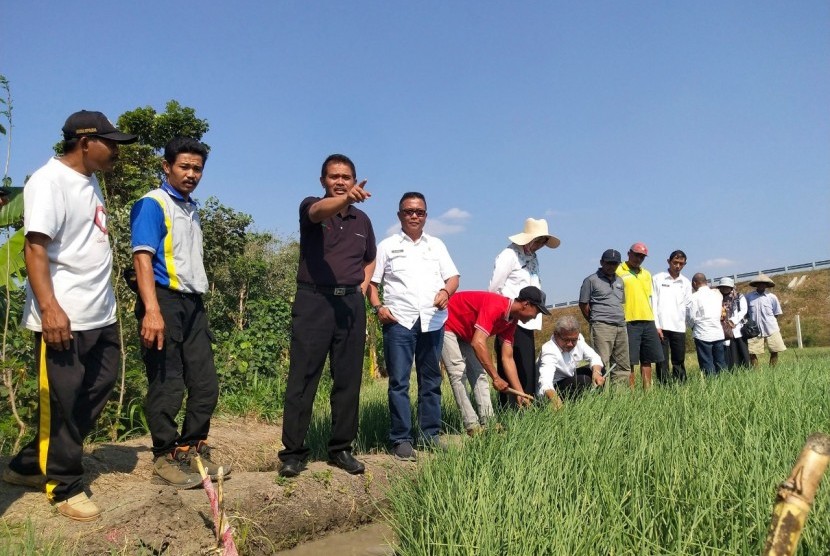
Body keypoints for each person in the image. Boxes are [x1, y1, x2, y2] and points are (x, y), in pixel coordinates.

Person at [3, 111, 136, 521]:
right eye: (109, 142)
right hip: (65, 317)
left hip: (100, 314)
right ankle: (63, 486)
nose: (115, 150)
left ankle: (30, 462)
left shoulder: (88, 180)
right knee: (62, 401)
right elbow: (35, 248)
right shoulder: (49, 181)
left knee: (99, 386)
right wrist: (50, 309)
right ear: (84, 142)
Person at [130, 137, 231, 489]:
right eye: (184, 167)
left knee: (205, 382)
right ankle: (164, 455)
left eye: (197, 168)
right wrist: (151, 311)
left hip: (192, 304)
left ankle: (192, 448)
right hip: (163, 301)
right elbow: (142, 258)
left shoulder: (191, 207)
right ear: (166, 166)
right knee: (167, 381)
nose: (191, 174)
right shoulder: (152, 203)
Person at [279, 154, 376, 478]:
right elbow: (319, 211)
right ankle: (293, 453)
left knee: (348, 380)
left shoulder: (362, 222)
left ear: (354, 179)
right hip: (313, 302)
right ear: (323, 181)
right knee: (303, 379)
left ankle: (341, 449)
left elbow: (369, 259)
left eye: (346, 177)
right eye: (333, 176)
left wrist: (361, 288)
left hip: (349, 305)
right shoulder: (313, 207)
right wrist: (343, 199)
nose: (340, 181)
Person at [368, 192, 459, 460]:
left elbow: (452, 277)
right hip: (399, 322)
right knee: (399, 381)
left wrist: (446, 292)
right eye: (409, 211)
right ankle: (401, 438)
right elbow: (372, 284)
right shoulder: (387, 246)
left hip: (432, 321)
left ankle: (430, 435)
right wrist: (378, 308)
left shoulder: (437, 245)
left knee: (431, 380)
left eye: (419, 211)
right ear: (399, 215)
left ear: (426, 216)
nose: (414, 216)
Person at [442, 287, 549, 435]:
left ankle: (489, 422)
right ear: (526, 304)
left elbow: (507, 357)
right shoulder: (496, 306)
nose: (535, 317)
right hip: (447, 321)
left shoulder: (511, 321)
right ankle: (472, 425)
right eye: (536, 312)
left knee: (479, 374)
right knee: (458, 372)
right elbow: (478, 343)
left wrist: (519, 393)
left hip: (466, 332)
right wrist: (496, 377)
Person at [488, 218, 559, 408]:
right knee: (509, 364)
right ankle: (508, 408)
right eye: (537, 240)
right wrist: (500, 316)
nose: (539, 245)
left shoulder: (533, 258)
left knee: (526, 367)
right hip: (510, 319)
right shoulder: (508, 255)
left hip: (529, 320)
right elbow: (495, 288)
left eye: (543, 241)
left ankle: (527, 404)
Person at [578, 249, 631, 386]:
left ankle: (620, 397)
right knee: (601, 363)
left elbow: (620, 302)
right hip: (601, 325)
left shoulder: (620, 281)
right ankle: (601, 396)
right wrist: (594, 319)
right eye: (608, 263)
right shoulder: (591, 280)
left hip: (620, 325)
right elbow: (584, 304)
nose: (611, 266)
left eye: (615, 263)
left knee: (622, 364)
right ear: (602, 262)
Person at [616, 242, 664, 388]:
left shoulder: (647, 274)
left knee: (647, 358)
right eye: (636, 255)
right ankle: (632, 394)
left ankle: (647, 391)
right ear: (629, 253)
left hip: (648, 319)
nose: (639, 259)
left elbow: (651, 298)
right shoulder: (618, 271)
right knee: (630, 360)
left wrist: (656, 323)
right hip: (629, 320)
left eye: (642, 257)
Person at [536, 316, 605, 407]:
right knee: (583, 381)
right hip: (555, 386)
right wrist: (554, 398)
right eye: (565, 340)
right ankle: (574, 406)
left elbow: (594, 357)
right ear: (556, 334)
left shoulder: (579, 339)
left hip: (569, 377)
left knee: (599, 370)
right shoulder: (549, 350)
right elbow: (545, 382)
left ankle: (595, 404)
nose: (570, 344)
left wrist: (596, 373)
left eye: (573, 340)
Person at [652, 250, 692, 383]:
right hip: (661, 326)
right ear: (668, 262)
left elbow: (688, 305)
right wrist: (656, 326)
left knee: (679, 358)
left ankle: (680, 384)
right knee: (662, 359)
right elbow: (653, 303)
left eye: (681, 263)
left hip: (679, 326)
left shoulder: (685, 282)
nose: (678, 266)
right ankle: (664, 385)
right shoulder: (658, 278)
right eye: (675, 262)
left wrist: (687, 324)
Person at [687, 273, 726, 375]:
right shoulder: (717, 295)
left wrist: (693, 326)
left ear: (694, 283)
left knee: (707, 362)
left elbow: (691, 317)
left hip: (702, 333)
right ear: (706, 282)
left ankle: (711, 385)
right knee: (720, 361)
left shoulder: (694, 297)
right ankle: (725, 383)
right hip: (718, 332)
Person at [745, 273, 786, 367]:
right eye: (759, 283)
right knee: (751, 351)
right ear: (756, 285)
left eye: (763, 283)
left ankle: (773, 370)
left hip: (771, 328)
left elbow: (776, 313)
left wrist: (769, 322)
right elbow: (746, 312)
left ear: (767, 285)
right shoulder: (749, 297)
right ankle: (757, 372)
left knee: (775, 350)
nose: (761, 285)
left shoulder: (772, 297)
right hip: (754, 329)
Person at [717, 277, 751, 369]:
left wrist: (733, 321)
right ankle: (732, 370)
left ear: (731, 287)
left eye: (727, 287)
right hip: (724, 329)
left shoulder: (739, 297)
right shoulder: (717, 298)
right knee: (729, 351)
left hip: (737, 328)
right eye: (723, 287)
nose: (725, 289)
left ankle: (746, 368)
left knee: (742, 349)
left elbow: (744, 310)